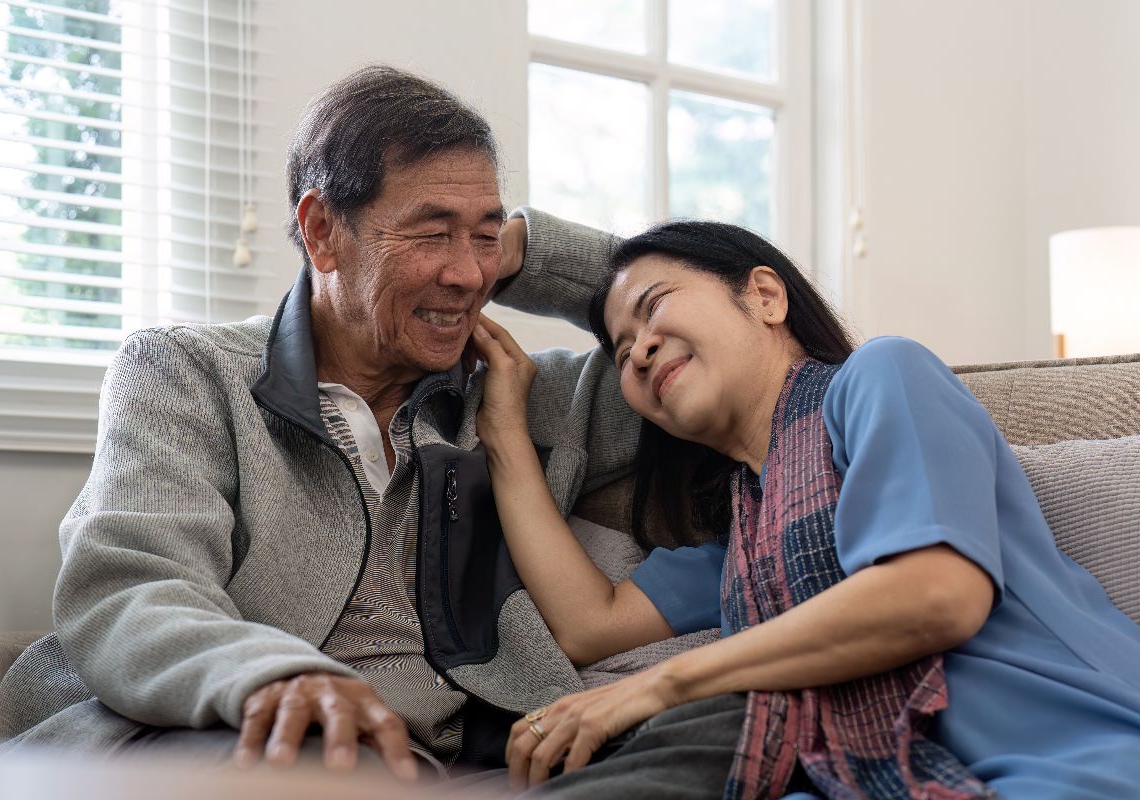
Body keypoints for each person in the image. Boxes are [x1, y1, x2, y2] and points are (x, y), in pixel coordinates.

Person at [0, 66, 648, 782]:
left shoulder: (517, 394)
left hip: (453, 762)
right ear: (321, 230)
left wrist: (527, 254)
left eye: (482, 237)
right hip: (221, 733)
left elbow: (734, 325)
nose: (466, 276)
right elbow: (133, 588)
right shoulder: (187, 372)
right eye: (433, 233)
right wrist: (275, 676)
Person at [472, 219, 1140, 798]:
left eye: (655, 307)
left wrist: (659, 686)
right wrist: (502, 428)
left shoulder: (885, 377)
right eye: (622, 351)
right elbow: (589, 625)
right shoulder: (751, 553)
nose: (640, 348)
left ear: (764, 295)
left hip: (1082, 752)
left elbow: (937, 595)